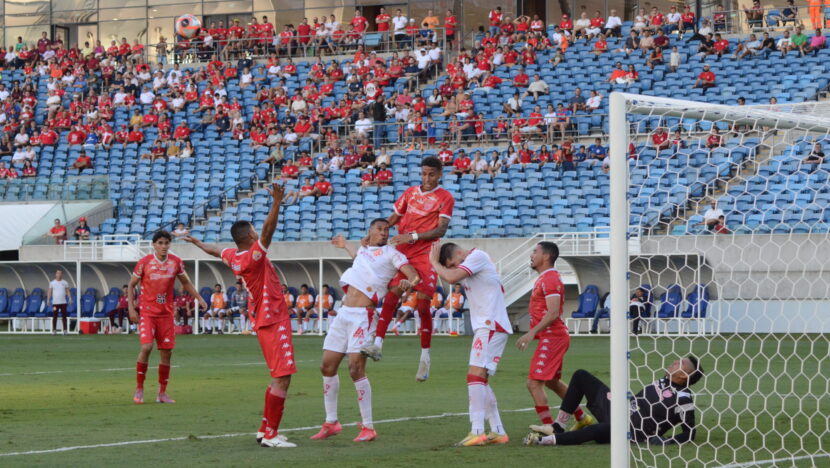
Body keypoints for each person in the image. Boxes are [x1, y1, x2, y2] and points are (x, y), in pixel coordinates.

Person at [184, 184, 299, 448]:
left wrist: (197, 242)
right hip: (272, 318)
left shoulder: (234, 256)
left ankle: (264, 430)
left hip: (265, 318)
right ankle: (270, 435)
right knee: (282, 376)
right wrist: (277, 203)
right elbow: (268, 232)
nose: (258, 233)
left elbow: (214, 250)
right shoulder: (252, 257)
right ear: (249, 235)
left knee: (281, 375)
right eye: (254, 231)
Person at [310, 222, 420, 443]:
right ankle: (331, 422)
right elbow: (359, 259)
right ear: (370, 231)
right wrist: (344, 246)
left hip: (364, 315)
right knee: (326, 366)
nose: (383, 232)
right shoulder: (362, 250)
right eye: (379, 229)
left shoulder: (392, 253)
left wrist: (410, 282)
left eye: (386, 230)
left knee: (355, 368)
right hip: (344, 313)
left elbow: (413, 274)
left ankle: (368, 427)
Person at [359, 157, 454, 382]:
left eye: (431, 174)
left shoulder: (445, 198)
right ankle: (377, 345)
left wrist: (411, 236)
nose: (427, 179)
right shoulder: (410, 193)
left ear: (440, 174)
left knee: (422, 304)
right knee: (392, 295)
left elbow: (441, 230)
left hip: (426, 254)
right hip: (403, 252)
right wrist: (376, 232)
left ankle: (425, 358)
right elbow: (394, 217)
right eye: (423, 174)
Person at [431, 242, 512, 446]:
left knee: (474, 376)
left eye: (452, 263)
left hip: (490, 325)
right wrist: (436, 262)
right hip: (489, 326)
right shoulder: (471, 264)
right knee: (480, 380)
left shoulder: (477, 256)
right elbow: (447, 277)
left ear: (460, 253)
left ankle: (477, 431)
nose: (452, 268)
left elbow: (449, 277)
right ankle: (498, 431)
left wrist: (433, 262)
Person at [524, 356, 704, 446]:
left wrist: (665, 441)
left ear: (683, 375)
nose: (674, 362)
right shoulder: (665, 380)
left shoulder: (684, 399)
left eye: (680, 363)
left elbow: (690, 433)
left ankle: (546, 440)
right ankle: (558, 426)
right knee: (581, 376)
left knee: (594, 430)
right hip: (617, 409)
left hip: (627, 431)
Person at [516, 242, 593, 436]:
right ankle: (582, 418)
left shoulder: (550, 279)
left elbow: (552, 313)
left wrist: (531, 332)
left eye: (535, 251)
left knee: (534, 383)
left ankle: (551, 428)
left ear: (546, 256)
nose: (531, 255)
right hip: (552, 337)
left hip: (553, 337)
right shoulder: (545, 278)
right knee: (551, 382)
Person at [128, 231, 206, 405]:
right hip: (147, 313)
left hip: (166, 314)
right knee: (147, 347)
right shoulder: (145, 262)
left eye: (166, 243)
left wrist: (199, 298)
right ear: (154, 245)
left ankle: (162, 393)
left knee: (166, 353)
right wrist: (132, 309)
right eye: (160, 243)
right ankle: (139, 388)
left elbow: (185, 283)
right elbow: (132, 285)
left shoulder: (175, 262)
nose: (164, 246)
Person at [47, 270, 72, 335]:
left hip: (63, 303)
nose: (59, 274)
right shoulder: (52, 283)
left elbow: (68, 291)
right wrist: (48, 300)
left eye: (60, 273)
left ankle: (65, 330)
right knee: (55, 316)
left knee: (64, 316)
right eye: (58, 273)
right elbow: (49, 291)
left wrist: (70, 298)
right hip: (55, 303)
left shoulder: (65, 282)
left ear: (62, 274)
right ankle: (54, 330)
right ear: (56, 274)